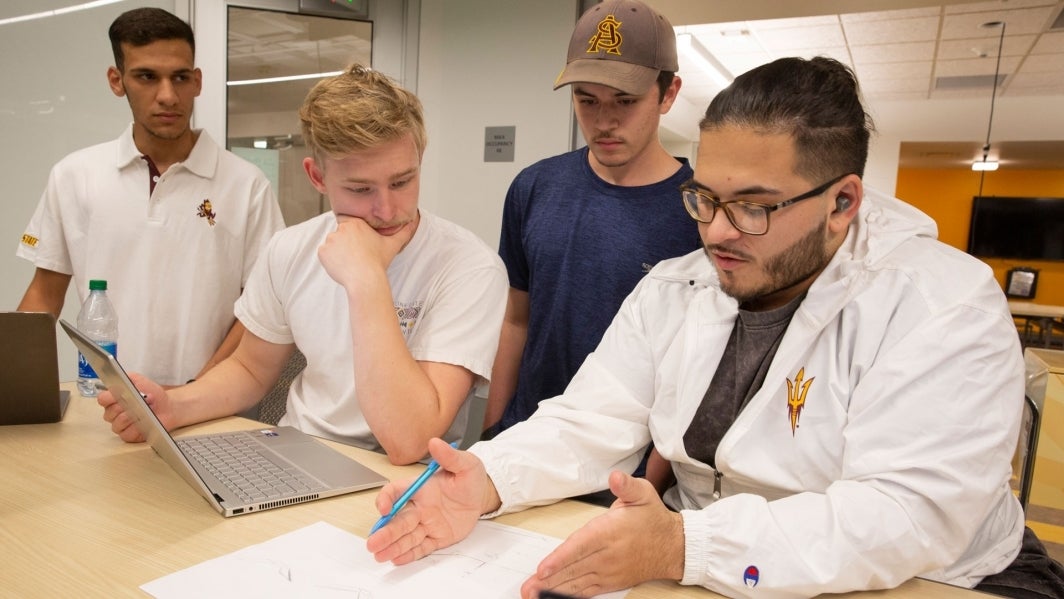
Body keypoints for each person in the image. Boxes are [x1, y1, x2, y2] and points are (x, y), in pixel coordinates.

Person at [367, 57, 1064, 599]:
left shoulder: (941, 301)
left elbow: (903, 517)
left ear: (842, 200)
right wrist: (484, 478)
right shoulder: (681, 284)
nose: (718, 231)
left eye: (755, 206)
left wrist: (682, 544)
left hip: (940, 582)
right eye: (706, 197)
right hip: (721, 564)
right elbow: (588, 421)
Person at [98, 64, 508, 466]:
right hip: (294, 452)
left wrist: (365, 280)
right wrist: (173, 406)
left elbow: (410, 441)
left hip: (398, 479)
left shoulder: (469, 267)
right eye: (360, 189)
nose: (386, 209)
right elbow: (249, 370)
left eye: (402, 181)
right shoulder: (290, 248)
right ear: (317, 177)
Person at [484, 0, 700, 497]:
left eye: (625, 101)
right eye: (587, 100)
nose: (604, 121)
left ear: (668, 94)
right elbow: (517, 319)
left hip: (627, 476)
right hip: (525, 450)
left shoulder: (700, 213)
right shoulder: (533, 187)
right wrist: (495, 428)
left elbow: (691, 366)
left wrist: (653, 480)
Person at [15, 7, 284, 386]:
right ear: (116, 80)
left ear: (198, 81)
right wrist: (15, 391)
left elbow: (260, 310)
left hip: (208, 407)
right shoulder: (74, 176)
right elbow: (44, 296)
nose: (168, 95)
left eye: (180, 77)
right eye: (146, 77)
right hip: (102, 403)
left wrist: (196, 394)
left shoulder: (247, 185)